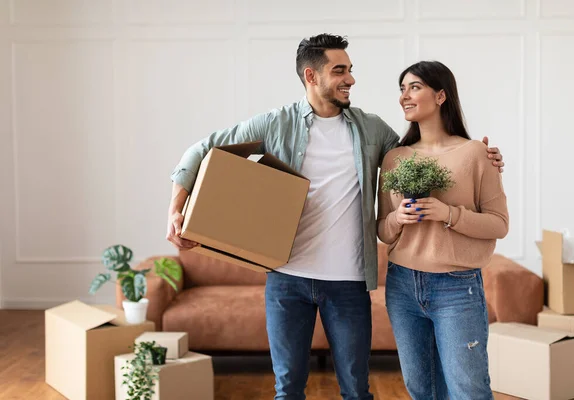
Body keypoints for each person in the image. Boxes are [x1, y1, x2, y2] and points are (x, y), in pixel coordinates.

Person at [166, 34, 505, 400]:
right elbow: (203, 149)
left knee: (357, 392)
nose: (351, 79)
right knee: (287, 389)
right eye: (339, 70)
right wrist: (175, 208)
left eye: (351, 70)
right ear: (312, 76)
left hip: (347, 284)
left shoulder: (372, 130)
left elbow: (423, 153)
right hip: (287, 279)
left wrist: (483, 155)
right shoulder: (275, 124)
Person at [377, 60, 509, 400]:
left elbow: (499, 224)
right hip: (402, 285)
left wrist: (449, 213)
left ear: (441, 95)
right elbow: (383, 231)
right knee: (422, 389)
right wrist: (398, 219)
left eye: (414, 87)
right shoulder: (393, 159)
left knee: (468, 390)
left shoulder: (476, 154)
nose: (405, 96)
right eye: (402, 89)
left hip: (456, 287)